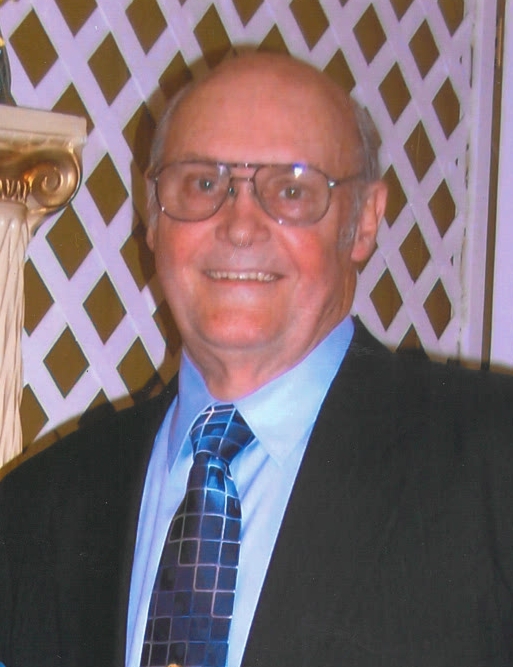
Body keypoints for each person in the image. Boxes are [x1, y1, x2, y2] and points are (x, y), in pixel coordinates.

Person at [1, 51, 513, 667]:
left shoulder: (493, 463)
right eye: (202, 183)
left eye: (291, 189)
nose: (240, 225)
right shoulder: (35, 506)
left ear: (364, 220)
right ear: (153, 214)